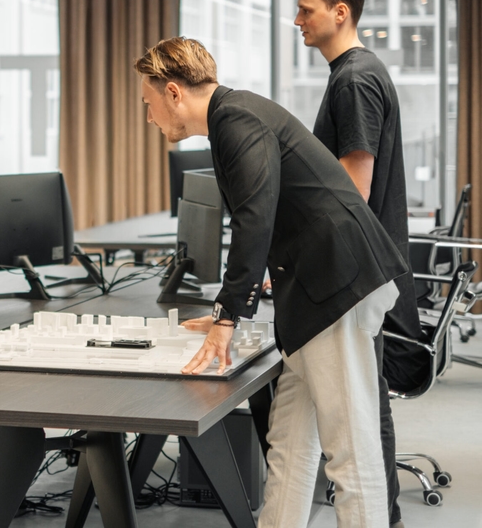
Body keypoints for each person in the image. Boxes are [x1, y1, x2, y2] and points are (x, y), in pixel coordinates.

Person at [136, 36, 407, 527]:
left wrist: (226, 317)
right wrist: (230, 306)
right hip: (315, 293)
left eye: (148, 102)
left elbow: (254, 218)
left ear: (173, 92)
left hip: (335, 288)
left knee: (350, 451)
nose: (149, 116)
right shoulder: (234, 116)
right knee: (290, 446)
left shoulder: (236, 119)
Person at [296, 0, 425, 528]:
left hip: (358, 273)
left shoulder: (353, 80)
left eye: (306, 10)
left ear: (340, 12)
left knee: (366, 410)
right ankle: (385, 515)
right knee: (367, 404)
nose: (297, 20)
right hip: (366, 268)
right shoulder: (356, 73)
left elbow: (353, 189)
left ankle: (383, 517)